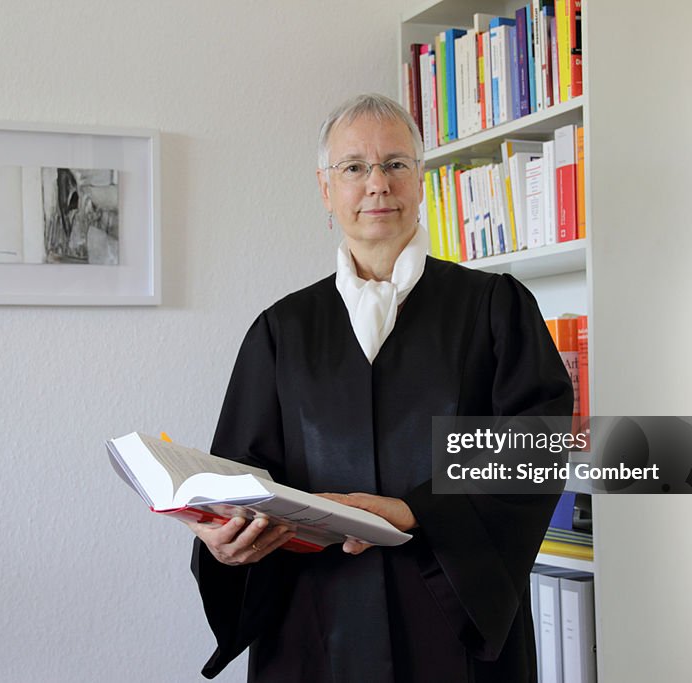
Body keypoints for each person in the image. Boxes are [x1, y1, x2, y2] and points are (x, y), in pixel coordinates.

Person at [186, 93, 573, 682]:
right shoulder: (281, 329)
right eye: (354, 168)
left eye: (396, 164)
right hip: (314, 623)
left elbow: (535, 444)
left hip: (451, 623)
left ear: (420, 180)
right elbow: (245, 468)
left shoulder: (494, 306)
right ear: (325, 189)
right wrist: (224, 538)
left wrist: (415, 509)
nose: (377, 184)